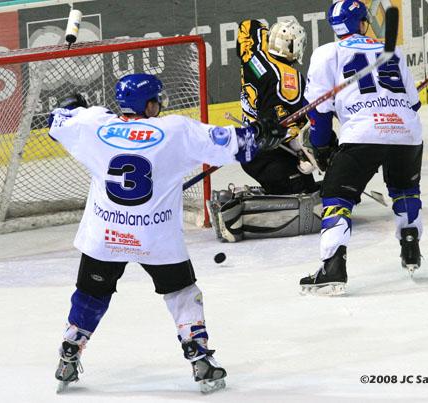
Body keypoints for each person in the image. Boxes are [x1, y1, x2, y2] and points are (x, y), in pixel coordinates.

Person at [47, 73, 287, 393]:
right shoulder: (175, 130)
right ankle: (199, 357)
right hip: (155, 237)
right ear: (148, 104)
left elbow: (56, 122)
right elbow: (235, 146)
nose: (160, 105)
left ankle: (69, 354)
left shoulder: (92, 125)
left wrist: (75, 108)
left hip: (106, 233)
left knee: (91, 294)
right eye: (156, 100)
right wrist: (262, 133)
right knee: (181, 292)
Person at [299, 0, 423, 296]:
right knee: (405, 190)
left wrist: (321, 148)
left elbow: (318, 112)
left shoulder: (327, 53)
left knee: (337, 195)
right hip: (407, 133)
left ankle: (333, 267)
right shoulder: (393, 51)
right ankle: (410, 246)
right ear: (362, 22)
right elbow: (413, 103)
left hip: (363, 133)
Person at [207, 18, 322, 243]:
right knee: (306, 195)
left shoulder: (254, 53)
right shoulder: (289, 81)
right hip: (267, 156)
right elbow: (277, 130)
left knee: (301, 186)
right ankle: (237, 211)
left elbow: (247, 26)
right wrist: (302, 151)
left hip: (248, 148)